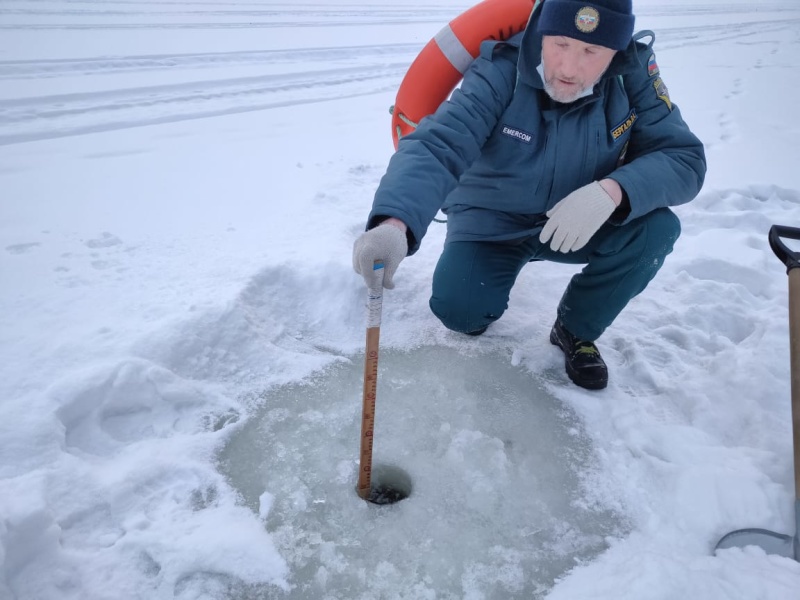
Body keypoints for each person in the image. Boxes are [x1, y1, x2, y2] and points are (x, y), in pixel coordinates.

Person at [352, 0, 706, 390]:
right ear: (542, 33)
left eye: (591, 51)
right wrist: (394, 222)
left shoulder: (632, 74)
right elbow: (440, 144)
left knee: (655, 230)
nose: (570, 68)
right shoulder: (502, 68)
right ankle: (483, 287)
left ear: (616, 50)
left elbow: (683, 157)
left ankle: (575, 329)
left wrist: (612, 192)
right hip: (492, 220)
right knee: (461, 312)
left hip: (578, 219)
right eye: (560, 44)